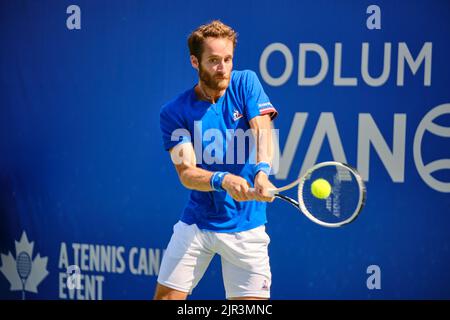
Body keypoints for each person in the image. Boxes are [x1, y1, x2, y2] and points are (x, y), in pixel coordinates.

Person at [155, 20, 278, 300]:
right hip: (197, 225)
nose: (223, 68)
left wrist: (261, 171)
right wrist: (222, 179)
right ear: (194, 62)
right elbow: (186, 173)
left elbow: (261, 129)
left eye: (227, 59)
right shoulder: (174, 112)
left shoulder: (245, 82)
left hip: (247, 229)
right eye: (213, 61)